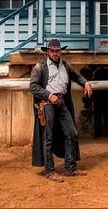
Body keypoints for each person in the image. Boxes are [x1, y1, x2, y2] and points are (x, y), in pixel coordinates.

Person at [30, 38, 93, 182]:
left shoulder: (65, 65)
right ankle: (50, 171)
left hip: (62, 103)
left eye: (57, 51)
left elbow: (77, 77)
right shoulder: (40, 67)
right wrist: (49, 95)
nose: (55, 53)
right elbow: (33, 86)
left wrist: (86, 83)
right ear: (47, 52)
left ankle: (70, 168)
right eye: (52, 51)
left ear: (60, 51)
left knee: (71, 133)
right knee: (48, 137)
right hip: (47, 104)